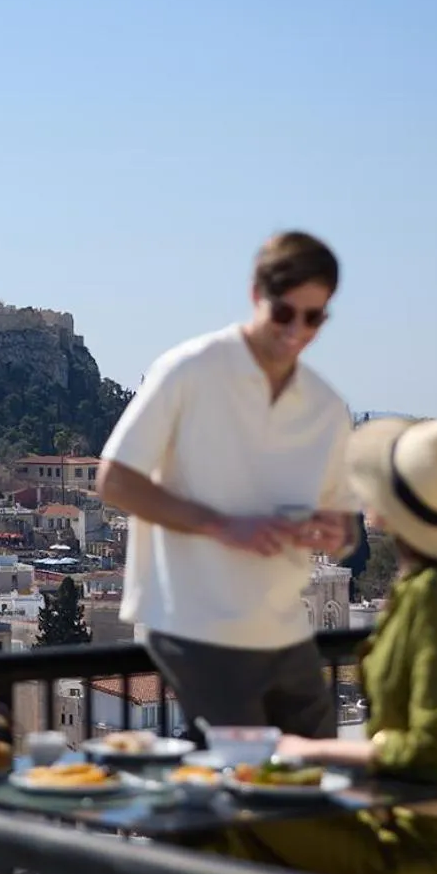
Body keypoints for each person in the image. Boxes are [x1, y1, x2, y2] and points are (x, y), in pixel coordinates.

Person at [211, 415, 437, 874]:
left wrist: (308, 751)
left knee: (218, 826)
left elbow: (429, 751)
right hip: (398, 828)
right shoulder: (432, 587)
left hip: (418, 855)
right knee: (233, 829)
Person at [96, 230, 358, 739]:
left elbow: (345, 528)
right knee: (244, 767)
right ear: (256, 295)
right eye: (285, 313)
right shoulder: (188, 371)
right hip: (194, 621)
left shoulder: (325, 407)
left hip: (283, 624)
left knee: (315, 770)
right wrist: (222, 526)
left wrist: (335, 532)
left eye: (313, 318)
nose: (297, 332)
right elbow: (116, 481)